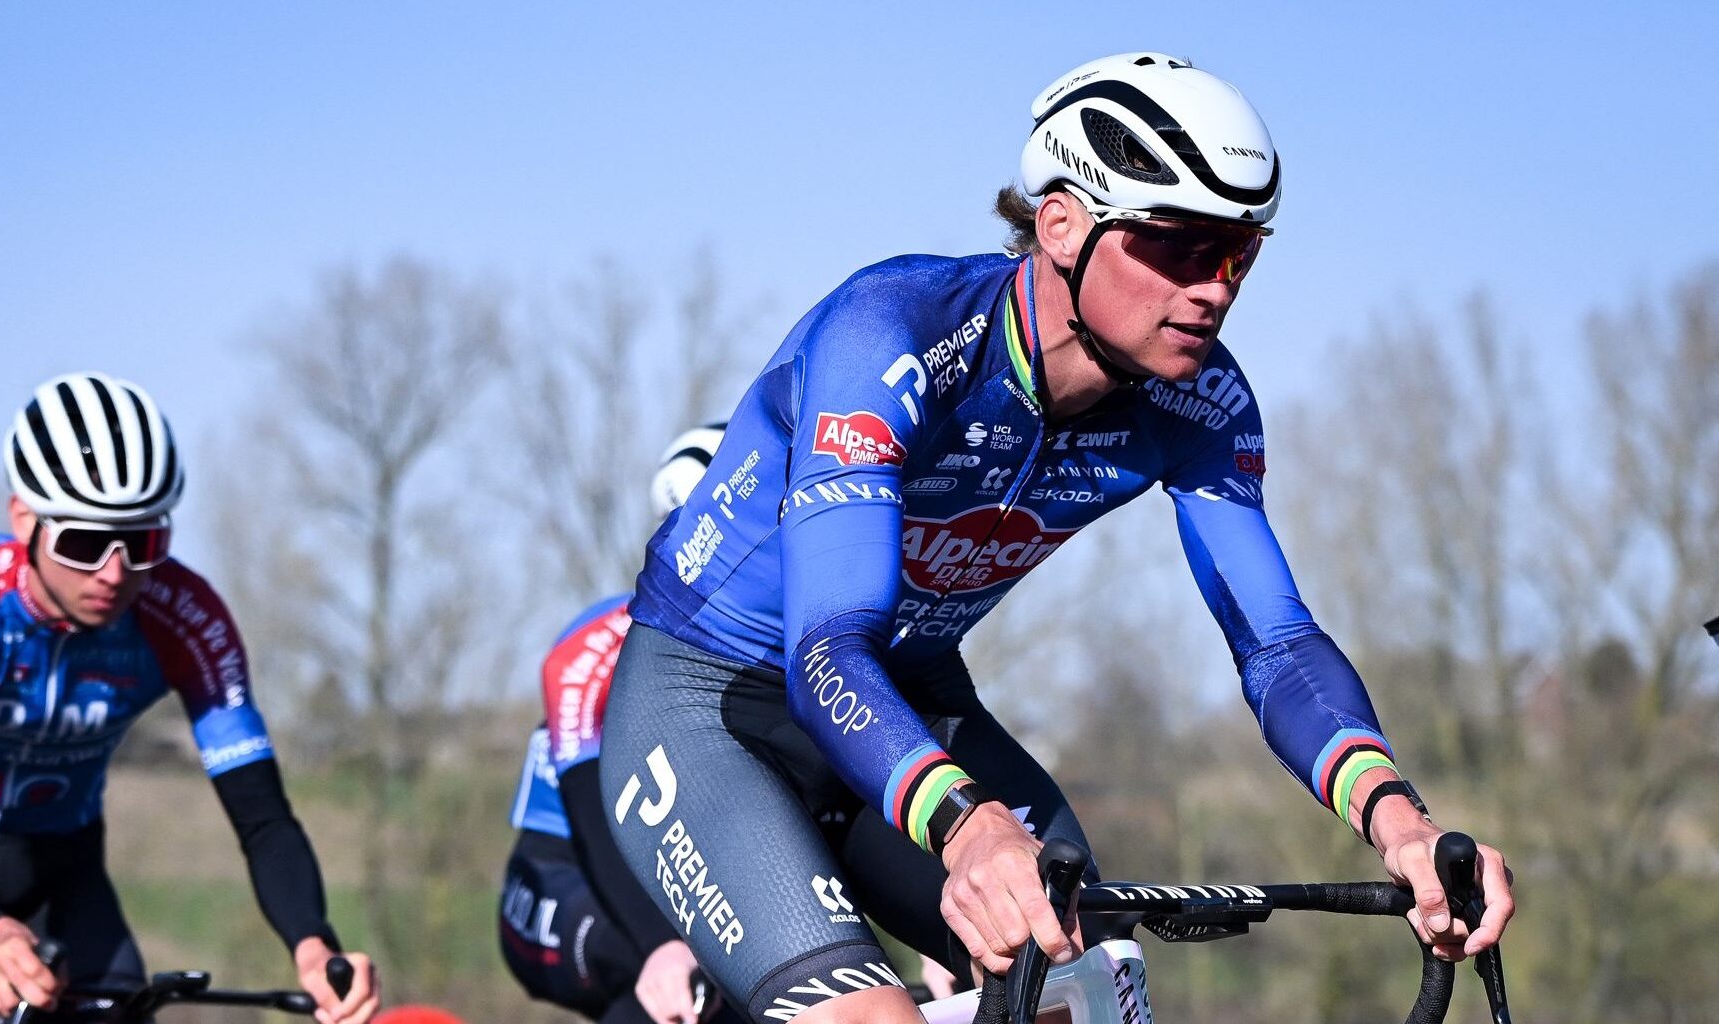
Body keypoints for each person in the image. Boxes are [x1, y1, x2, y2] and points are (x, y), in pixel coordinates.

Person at [599, 52, 1516, 1024]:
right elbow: (826, 645)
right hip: (714, 699)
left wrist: (1403, 823)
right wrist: (964, 825)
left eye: (1237, 254)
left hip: (913, 699)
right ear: (1062, 225)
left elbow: (1278, 642)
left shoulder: (1199, 400)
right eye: (1177, 245)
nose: (1213, 288)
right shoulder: (892, 335)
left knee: (1089, 984)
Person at [0, 372, 377, 1024]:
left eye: (143, 542)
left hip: (63, 855)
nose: (115, 574)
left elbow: (263, 821)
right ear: (24, 520)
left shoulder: (187, 620)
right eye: (87, 542)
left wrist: (314, 943)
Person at [499, 425, 741, 1024]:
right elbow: (592, 817)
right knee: (672, 979)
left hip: (688, 886)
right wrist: (660, 946)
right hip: (565, 873)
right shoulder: (590, 649)